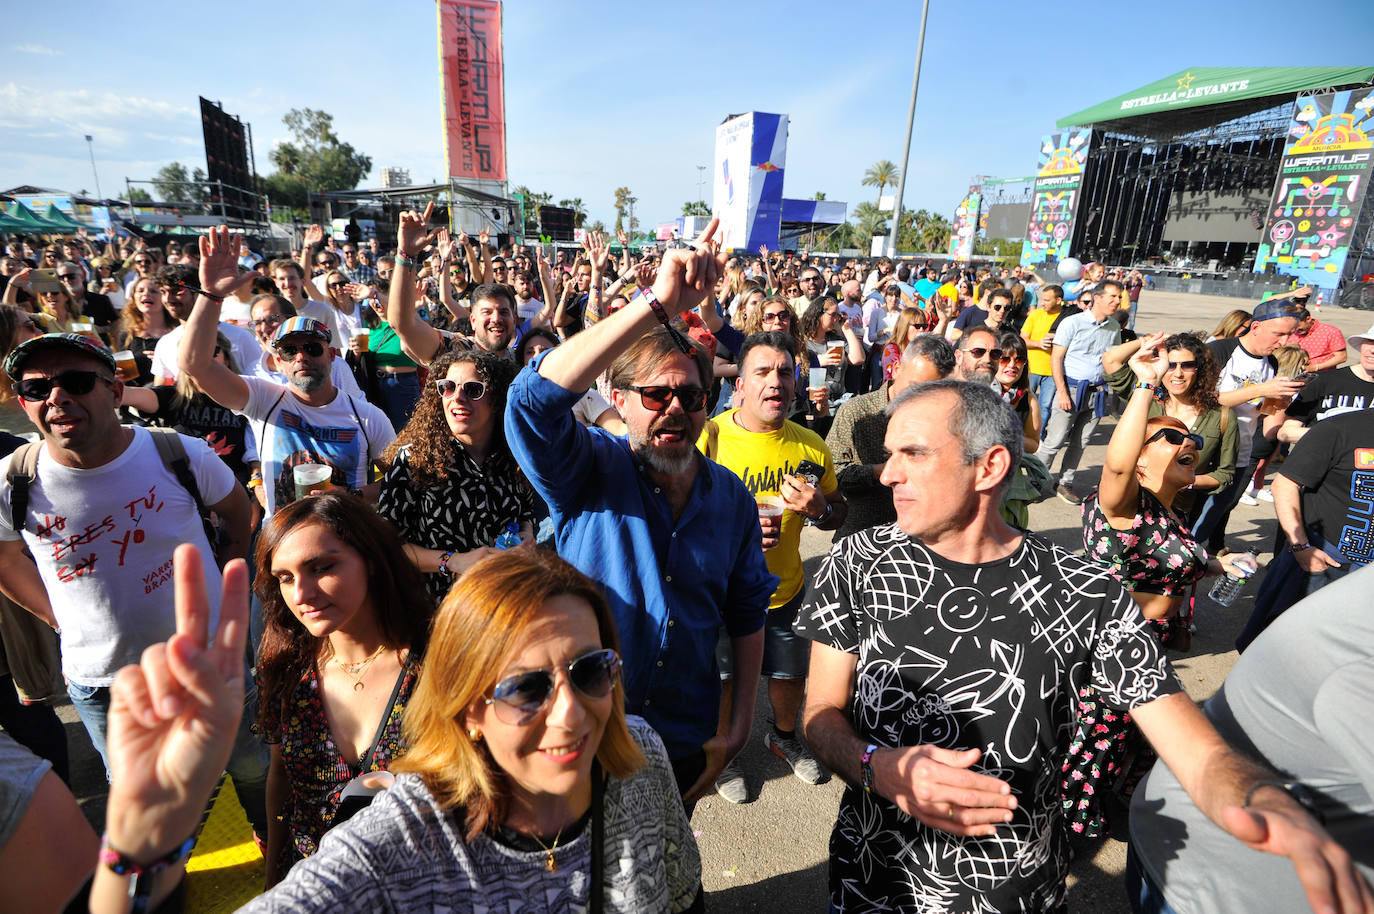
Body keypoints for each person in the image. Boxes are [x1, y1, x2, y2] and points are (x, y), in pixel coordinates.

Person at [794, 379, 1370, 914]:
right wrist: (875, 768)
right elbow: (820, 714)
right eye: (890, 455)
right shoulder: (857, 563)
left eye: (912, 454)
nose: (888, 474)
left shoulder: (1086, 591)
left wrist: (1262, 799)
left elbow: (1193, 747)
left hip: (1016, 893)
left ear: (990, 466)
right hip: (872, 879)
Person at [89, 545, 703, 913]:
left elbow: (682, 896)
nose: (571, 713)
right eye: (525, 687)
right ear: (468, 709)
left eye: (590, 670)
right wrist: (144, 844)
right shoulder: (403, 841)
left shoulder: (638, 754)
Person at [506, 217, 775, 807]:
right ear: (620, 402)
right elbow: (528, 404)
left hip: (684, 736)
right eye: (657, 395)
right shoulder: (588, 470)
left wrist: (735, 731)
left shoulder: (729, 497)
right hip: (585, 733)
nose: (674, 409)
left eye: (692, 397)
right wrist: (654, 305)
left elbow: (747, 612)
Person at [0, 331, 267, 837]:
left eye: (76, 382)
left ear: (115, 392)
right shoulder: (14, 480)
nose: (57, 397)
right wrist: (57, 617)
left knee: (251, 767)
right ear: (23, 404)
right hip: (105, 683)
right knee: (144, 800)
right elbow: (6, 560)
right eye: (37, 389)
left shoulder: (179, 453)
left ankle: (273, 835)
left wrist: (228, 581)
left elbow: (236, 512)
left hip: (211, 663)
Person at [1072, 339, 1256, 837]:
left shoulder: (1171, 515)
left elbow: (1171, 560)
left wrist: (1217, 564)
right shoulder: (1122, 503)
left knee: (1135, 738)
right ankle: (1067, 832)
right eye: (1171, 439)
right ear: (1142, 457)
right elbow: (1115, 464)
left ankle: (1115, 812)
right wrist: (1146, 384)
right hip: (1112, 647)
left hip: (1152, 644)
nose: (1187, 443)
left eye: (1191, 443)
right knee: (1099, 739)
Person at [1128, 564, 1374, 914]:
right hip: (1212, 884)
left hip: (1197, 804)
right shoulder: (1357, 665)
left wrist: (1211, 564)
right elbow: (1150, 600)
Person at [253, 493, 434, 885]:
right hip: (311, 883)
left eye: (321, 567)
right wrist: (271, 880)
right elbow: (280, 780)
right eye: (285, 578)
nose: (301, 595)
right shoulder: (285, 669)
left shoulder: (439, 663)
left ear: (370, 561)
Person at [698, 332, 846, 803]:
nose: (775, 382)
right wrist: (732, 532)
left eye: (784, 372)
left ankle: (781, 737)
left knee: (788, 677)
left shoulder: (809, 447)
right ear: (739, 384)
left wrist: (821, 509)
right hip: (719, 594)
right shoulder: (710, 438)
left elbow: (837, 512)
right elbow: (674, 517)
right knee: (722, 682)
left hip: (784, 591)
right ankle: (725, 756)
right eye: (762, 372)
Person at [180, 228, 395, 515]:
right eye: (289, 351)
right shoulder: (263, 399)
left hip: (346, 542)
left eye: (312, 348)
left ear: (332, 355)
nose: (301, 356)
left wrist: (352, 495)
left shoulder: (368, 417)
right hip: (282, 544)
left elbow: (398, 481)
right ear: (278, 362)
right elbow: (195, 365)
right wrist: (211, 296)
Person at [377, 348, 536, 603]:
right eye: (448, 387)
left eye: (473, 390)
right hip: (440, 610)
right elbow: (387, 547)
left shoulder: (515, 456)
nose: (457, 398)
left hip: (504, 600)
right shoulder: (415, 460)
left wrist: (527, 535)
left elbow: (526, 511)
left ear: (497, 400)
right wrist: (454, 562)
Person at [1237, 405, 1374, 651]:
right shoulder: (1339, 429)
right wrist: (1301, 547)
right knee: (1277, 650)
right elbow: (1285, 484)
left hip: (1366, 586)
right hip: (1323, 566)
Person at [1192, 297, 1304, 552]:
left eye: (1291, 335)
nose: (1285, 342)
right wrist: (1264, 389)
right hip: (1203, 451)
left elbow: (1260, 411)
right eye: (1279, 334)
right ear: (1256, 327)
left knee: (1211, 520)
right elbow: (1196, 401)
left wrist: (1279, 402)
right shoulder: (1219, 351)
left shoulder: (1271, 362)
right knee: (1188, 522)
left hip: (1240, 455)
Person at [825, 333, 953, 541]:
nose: (919, 397)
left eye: (931, 391)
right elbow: (832, 474)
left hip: (919, 539)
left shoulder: (941, 420)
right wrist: (877, 472)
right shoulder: (857, 411)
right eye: (915, 386)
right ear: (895, 369)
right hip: (861, 536)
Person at [1102, 331, 1236, 520]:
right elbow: (1110, 360)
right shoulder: (1144, 400)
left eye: (1188, 365)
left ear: (1200, 369)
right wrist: (1147, 341)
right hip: (1130, 501)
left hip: (1177, 512)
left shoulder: (1221, 416)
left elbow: (1225, 473)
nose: (1178, 373)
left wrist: (1185, 480)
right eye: (1171, 365)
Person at [1039, 279, 1124, 505]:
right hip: (1071, 389)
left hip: (1097, 393)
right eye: (1113, 296)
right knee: (1054, 440)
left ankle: (1065, 482)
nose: (1118, 301)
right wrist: (1063, 392)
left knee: (1081, 442)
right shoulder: (1072, 323)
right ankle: (1035, 482)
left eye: (1120, 297)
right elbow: (1056, 358)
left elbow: (1112, 359)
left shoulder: (1114, 327)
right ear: (1097, 297)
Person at [1021, 283, 1064, 426]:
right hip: (1031, 368)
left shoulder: (1066, 318)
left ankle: (1038, 436)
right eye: (1042, 299)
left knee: (1045, 406)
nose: (1042, 303)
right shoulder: (1035, 315)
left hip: (1053, 371)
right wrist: (1038, 343)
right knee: (1023, 402)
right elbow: (1022, 339)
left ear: (1058, 300)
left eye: (1047, 300)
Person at [994, 330, 1042, 454]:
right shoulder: (977, 390)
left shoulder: (1029, 400)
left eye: (1019, 360)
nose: (1012, 365)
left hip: (1008, 466)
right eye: (1004, 359)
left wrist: (1010, 437)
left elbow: (1034, 445)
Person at [1292, 305, 1347, 372]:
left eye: (1298, 327)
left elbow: (1342, 357)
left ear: (1308, 319)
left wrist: (1316, 367)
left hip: (1320, 375)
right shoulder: (1288, 331)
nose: (1295, 331)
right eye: (1293, 327)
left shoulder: (1330, 332)